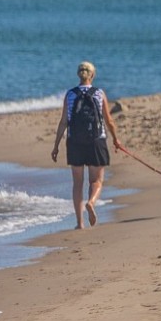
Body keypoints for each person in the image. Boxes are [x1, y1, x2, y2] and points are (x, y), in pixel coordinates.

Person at [50, 61, 123, 229]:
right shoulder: (99, 93)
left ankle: (80, 223)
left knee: (77, 183)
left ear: (78, 74)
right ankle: (91, 202)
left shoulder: (70, 95)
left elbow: (63, 122)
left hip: (75, 141)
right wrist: (115, 139)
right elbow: (108, 120)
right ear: (93, 75)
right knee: (96, 181)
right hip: (96, 141)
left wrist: (56, 146)